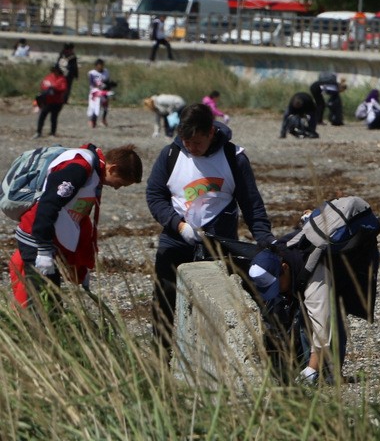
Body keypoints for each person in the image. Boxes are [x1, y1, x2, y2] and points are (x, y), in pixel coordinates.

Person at [145, 103, 275, 355]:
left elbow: (252, 205)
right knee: (165, 298)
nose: (190, 148)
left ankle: (212, 357)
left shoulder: (233, 158)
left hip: (219, 243)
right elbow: (155, 196)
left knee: (217, 303)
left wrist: (265, 239)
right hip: (176, 239)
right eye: (186, 141)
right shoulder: (171, 154)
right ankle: (160, 357)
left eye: (196, 143)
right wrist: (179, 225)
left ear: (211, 133)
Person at [9, 144, 143, 308]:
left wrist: (81, 267)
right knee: (40, 304)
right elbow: (48, 204)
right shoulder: (80, 169)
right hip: (36, 238)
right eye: (120, 183)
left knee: (51, 301)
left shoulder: (93, 176)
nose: (117, 188)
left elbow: (78, 222)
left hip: (50, 242)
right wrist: (43, 249)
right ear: (112, 168)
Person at [33, 65, 68, 139]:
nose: (55, 72)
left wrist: (54, 88)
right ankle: (38, 132)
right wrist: (48, 88)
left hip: (57, 102)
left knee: (54, 118)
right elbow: (43, 85)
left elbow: (63, 88)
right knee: (42, 116)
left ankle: (52, 133)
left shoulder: (62, 79)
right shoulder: (49, 77)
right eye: (53, 70)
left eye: (56, 70)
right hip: (47, 101)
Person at [86, 59, 113, 128]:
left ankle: (103, 119)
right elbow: (92, 83)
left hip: (104, 91)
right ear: (96, 66)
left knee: (105, 107)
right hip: (95, 92)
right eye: (99, 65)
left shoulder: (106, 72)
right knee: (94, 107)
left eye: (102, 65)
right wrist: (100, 85)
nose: (101, 67)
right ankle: (92, 121)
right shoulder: (92, 73)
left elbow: (107, 81)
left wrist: (109, 85)